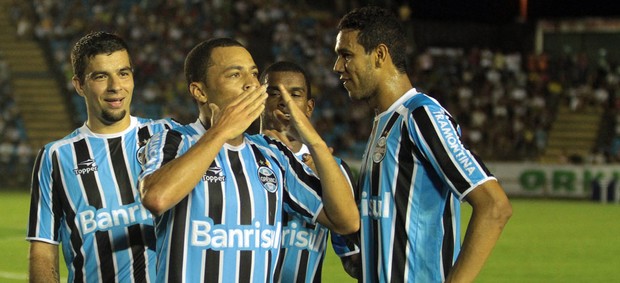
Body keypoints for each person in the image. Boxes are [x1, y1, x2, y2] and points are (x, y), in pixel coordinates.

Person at [137, 38, 359, 282]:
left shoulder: (271, 154)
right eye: (235, 75)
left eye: (253, 74)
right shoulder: (173, 140)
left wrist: (314, 141)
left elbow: (346, 222)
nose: (251, 84)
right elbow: (156, 198)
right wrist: (220, 132)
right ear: (199, 91)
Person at [333, 6, 513, 283]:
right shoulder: (384, 122)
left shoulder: (420, 115)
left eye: (346, 55)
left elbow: (494, 206)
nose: (338, 67)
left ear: (380, 55)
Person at [26, 31, 178, 282]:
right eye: (100, 76)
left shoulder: (168, 134)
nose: (115, 86)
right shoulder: (56, 156)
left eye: (123, 73)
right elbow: (43, 250)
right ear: (79, 85)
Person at [260, 61, 361, 281]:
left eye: (294, 95)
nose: (284, 102)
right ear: (259, 100)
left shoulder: (333, 170)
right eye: (274, 92)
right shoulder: (239, 156)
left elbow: (354, 260)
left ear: (309, 106)